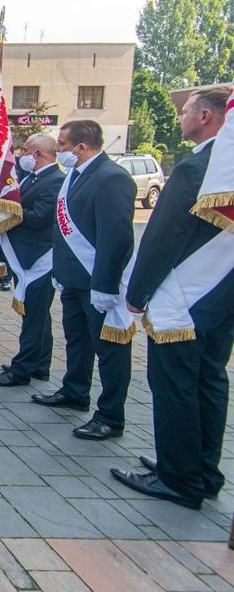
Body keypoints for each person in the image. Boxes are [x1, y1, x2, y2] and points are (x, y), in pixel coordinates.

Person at [113, 86, 234, 509]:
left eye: (185, 112)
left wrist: (138, 292)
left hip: (187, 294)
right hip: (221, 294)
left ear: (206, 117)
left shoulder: (199, 167)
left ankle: (178, 478)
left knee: (175, 382)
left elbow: (164, 236)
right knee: (210, 379)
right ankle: (202, 469)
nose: (180, 119)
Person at [32, 119, 136, 440]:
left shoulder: (111, 178)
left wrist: (105, 285)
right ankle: (75, 390)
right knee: (77, 340)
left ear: (81, 146)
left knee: (109, 350)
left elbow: (116, 238)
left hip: (97, 284)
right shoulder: (75, 177)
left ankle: (110, 415)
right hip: (74, 281)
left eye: (61, 145)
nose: (58, 150)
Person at [0, 133, 64, 387]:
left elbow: (41, 216)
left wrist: (7, 210)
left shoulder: (55, 180)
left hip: (39, 256)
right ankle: (39, 364)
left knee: (34, 315)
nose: (21, 155)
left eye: (26, 150)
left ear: (37, 154)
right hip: (26, 254)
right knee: (37, 316)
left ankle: (23, 368)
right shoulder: (34, 177)